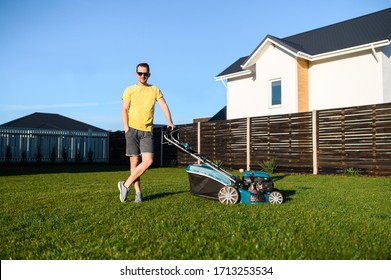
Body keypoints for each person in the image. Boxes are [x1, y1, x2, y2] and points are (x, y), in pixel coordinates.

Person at [118, 63, 174, 203]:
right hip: (132, 130)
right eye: (140, 73)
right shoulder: (129, 90)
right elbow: (124, 110)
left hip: (147, 131)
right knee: (135, 162)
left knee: (148, 161)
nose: (143, 76)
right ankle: (138, 193)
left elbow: (163, 105)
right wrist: (126, 129)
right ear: (136, 73)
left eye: (146, 74)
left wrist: (170, 121)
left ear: (149, 74)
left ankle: (124, 185)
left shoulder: (154, 89)